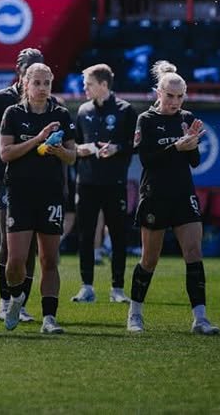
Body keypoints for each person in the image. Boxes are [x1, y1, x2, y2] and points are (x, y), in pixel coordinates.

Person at [128, 60, 220, 335]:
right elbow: (147, 160)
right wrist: (176, 147)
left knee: (194, 253)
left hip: (183, 193)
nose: (175, 102)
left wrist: (190, 145)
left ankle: (200, 319)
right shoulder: (146, 120)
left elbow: (194, 161)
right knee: (150, 259)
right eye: (170, 95)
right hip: (155, 194)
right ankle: (135, 314)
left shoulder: (187, 118)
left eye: (180, 97)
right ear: (158, 92)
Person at [0, 61, 76, 335]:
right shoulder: (13, 113)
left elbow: (72, 155)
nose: (43, 88)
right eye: (37, 83)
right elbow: (5, 154)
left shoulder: (61, 114)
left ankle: (49, 318)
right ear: (25, 84)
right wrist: (39, 139)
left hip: (51, 194)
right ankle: (16, 298)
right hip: (20, 194)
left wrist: (58, 151)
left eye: (47, 83)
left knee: (49, 260)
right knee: (16, 261)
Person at [71, 64, 135, 305]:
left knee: (118, 236)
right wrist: (81, 149)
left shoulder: (125, 110)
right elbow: (74, 145)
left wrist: (117, 148)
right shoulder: (83, 110)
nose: (85, 88)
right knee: (85, 235)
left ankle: (117, 288)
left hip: (114, 183)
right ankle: (86, 287)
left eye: (88, 84)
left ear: (103, 84)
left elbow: (136, 144)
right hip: (86, 183)